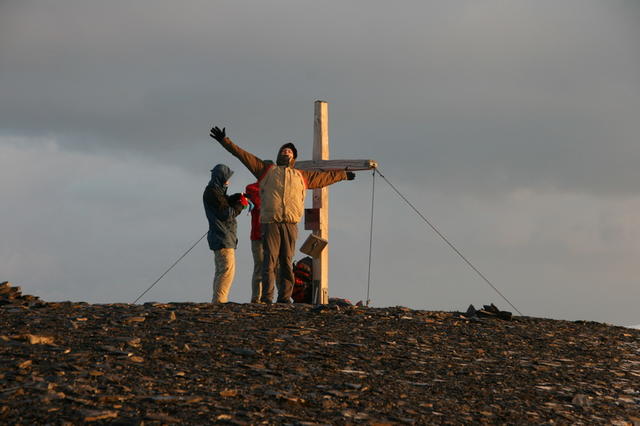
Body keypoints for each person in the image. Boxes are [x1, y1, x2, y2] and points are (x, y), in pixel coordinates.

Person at [209, 126, 355, 303]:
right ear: (279, 154)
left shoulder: (301, 175)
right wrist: (226, 141)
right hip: (270, 221)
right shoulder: (266, 170)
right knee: (268, 262)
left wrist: (343, 175)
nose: (287, 152)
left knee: (286, 262)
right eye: (284, 150)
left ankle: (284, 297)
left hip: (290, 223)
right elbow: (243, 156)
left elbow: (324, 178)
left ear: (293, 157)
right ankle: (267, 297)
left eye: (290, 151)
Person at [203, 164, 248, 303]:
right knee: (227, 270)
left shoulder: (215, 191)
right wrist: (240, 205)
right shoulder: (212, 192)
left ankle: (218, 299)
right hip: (222, 237)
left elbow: (224, 203)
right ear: (221, 177)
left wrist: (235, 198)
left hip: (220, 236)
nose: (228, 181)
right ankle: (220, 301)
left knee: (221, 270)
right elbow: (226, 213)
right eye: (227, 178)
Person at [244, 181, 264, 303]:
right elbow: (259, 202)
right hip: (258, 235)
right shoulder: (252, 188)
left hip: (269, 235)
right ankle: (257, 297)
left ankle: (280, 297)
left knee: (276, 267)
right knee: (260, 267)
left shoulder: (253, 189)